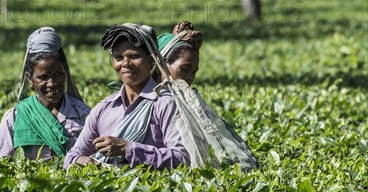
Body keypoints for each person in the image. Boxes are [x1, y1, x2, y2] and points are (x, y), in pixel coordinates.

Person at [64, 23, 190, 170]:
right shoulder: (104, 108)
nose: (125, 63)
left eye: (134, 56)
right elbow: (73, 155)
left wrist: (128, 149)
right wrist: (83, 160)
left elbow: (182, 159)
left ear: (152, 60)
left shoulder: (166, 104)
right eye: (118, 57)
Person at [156, 21, 259, 171]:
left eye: (194, 72)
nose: (190, 77)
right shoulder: (145, 101)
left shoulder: (188, 102)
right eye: (184, 69)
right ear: (162, 64)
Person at [0, 27, 91, 160]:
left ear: (65, 73)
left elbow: (100, 161)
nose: (52, 83)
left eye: (58, 75)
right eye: (43, 77)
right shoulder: (14, 118)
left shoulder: (84, 116)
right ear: (30, 80)